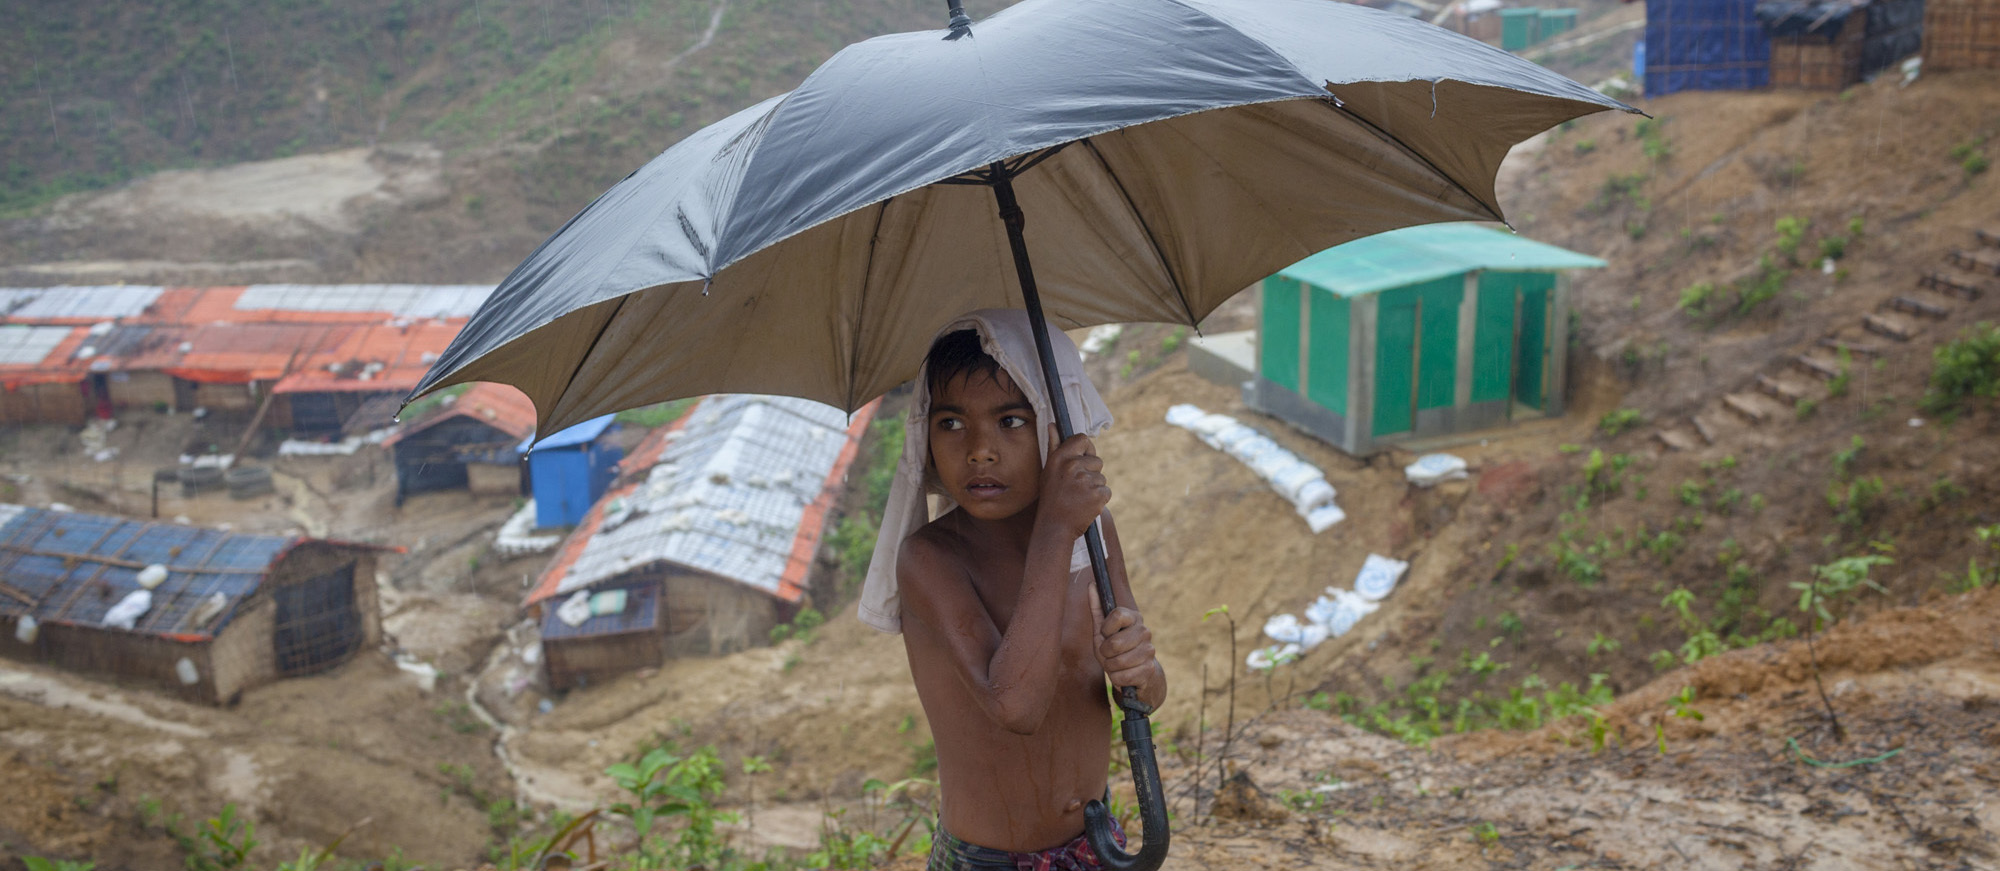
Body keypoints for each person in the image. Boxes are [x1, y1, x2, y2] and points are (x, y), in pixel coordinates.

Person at [858, 310, 1167, 871]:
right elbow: (1017, 706)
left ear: (1057, 424)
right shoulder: (932, 560)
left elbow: (1141, 696)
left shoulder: (1094, 536)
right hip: (988, 860)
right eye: (951, 424)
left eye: (1013, 421)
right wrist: (1054, 529)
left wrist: (1139, 668)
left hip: (1096, 846)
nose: (979, 450)